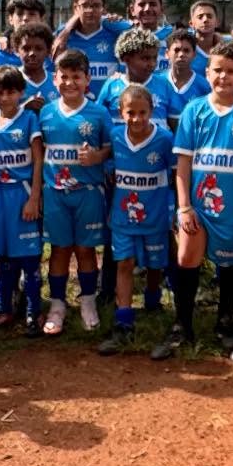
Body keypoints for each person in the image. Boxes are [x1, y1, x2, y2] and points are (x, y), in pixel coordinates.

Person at [158, 41, 233, 359]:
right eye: (218, 70)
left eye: (232, 71)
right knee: (187, 258)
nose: (224, 77)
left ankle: (225, 320)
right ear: (207, 72)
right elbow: (183, 163)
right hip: (198, 205)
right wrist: (184, 205)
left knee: (229, 263)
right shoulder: (195, 110)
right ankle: (182, 325)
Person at [37, 49, 112, 335]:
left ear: (87, 79)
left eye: (76, 77)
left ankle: (88, 300)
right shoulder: (45, 112)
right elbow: (39, 152)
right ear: (54, 79)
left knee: (85, 249)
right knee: (59, 249)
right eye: (64, 77)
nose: (70, 83)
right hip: (55, 193)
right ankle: (57, 304)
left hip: (88, 192)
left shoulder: (98, 112)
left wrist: (97, 157)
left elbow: (109, 148)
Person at [98, 85, 175, 355]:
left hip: (154, 215)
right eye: (131, 112)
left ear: (151, 112)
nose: (137, 118)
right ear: (121, 112)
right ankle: (124, 318)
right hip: (122, 216)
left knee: (155, 265)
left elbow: (175, 174)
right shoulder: (116, 136)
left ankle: (153, 300)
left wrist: (174, 209)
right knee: (125, 263)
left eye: (143, 112)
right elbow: (108, 164)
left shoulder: (164, 140)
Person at [0, 65, 44, 336]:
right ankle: (4, 309)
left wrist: (34, 198)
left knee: (28, 256)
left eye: (10, 92)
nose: (4, 98)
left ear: (20, 93)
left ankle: (33, 311)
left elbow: (38, 160)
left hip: (21, 193)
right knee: (3, 256)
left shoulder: (29, 120)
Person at [54, 0, 125, 99]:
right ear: (75, 8)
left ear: (104, 8)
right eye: (84, 5)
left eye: (96, 5)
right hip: (74, 106)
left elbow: (137, 30)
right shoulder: (64, 34)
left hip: (106, 107)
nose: (90, 10)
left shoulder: (115, 32)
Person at [99, 26, 170, 127]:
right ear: (126, 59)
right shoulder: (112, 85)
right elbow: (99, 121)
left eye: (154, 58)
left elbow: (175, 126)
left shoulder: (165, 85)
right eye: (145, 58)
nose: (152, 63)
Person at [147, 28, 211, 132]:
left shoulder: (204, 86)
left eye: (186, 50)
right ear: (167, 54)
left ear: (194, 55)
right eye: (176, 50)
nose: (181, 54)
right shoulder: (155, 81)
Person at [0, 0, 48, 76]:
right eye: (20, 14)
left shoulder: (50, 51)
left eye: (32, 14)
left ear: (42, 19)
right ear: (10, 19)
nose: (25, 18)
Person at [13, 22, 58, 110]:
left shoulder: (57, 81)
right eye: (26, 48)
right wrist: (23, 108)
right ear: (17, 50)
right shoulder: (9, 80)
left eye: (38, 49)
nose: (32, 53)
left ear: (48, 51)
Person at [188, 0, 223, 76]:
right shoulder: (184, 48)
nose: (205, 20)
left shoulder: (227, 46)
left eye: (209, 16)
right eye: (200, 17)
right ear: (191, 24)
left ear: (217, 22)